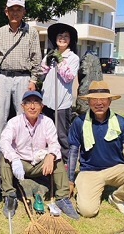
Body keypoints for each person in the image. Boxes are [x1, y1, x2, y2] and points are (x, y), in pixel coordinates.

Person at [68, 80, 124, 218]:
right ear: (88, 101)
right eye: (94, 99)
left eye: (103, 99)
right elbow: (73, 152)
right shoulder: (79, 122)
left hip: (116, 169)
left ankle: (118, 197)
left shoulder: (121, 122)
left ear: (110, 101)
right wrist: (70, 180)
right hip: (90, 171)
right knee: (87, 211)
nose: (99, 103)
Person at [0, 91, 79, 220]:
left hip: (40, 164)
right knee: (4, 157)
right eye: (28, 103)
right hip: (21, 163)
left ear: (42, 106)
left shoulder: (47, 122)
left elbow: (54, 143)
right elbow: (4, 141)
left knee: (57, 158)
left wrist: (51, 155)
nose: (32, 107)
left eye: (36, 103)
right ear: (22, 106)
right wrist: (14, 159)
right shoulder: (14, 122)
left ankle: (62, 198)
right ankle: (9, 196)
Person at [0, 0, 42, 138]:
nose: (15, 13)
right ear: (6, 12)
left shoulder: (32, 32)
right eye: (12, 9)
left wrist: (34, 80)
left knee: (23, 115)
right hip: (3, 77)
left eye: (18, 9)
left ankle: (22, 148)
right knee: (1, 116)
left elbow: (36, 58)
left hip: (24, 78)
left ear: (24, 12)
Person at [41, 23, 79, 163]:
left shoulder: (73, 58)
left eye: (66, 36)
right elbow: (41, 73)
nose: (62, 38)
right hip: (47, 101)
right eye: (60, 35)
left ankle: (65, 164)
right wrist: (48, 60)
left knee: (62, 135)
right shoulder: (49, 55)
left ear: (70, 40)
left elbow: (69, 77)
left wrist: (60, 60)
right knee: (46, 133)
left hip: (61, 102)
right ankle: (48, 159)